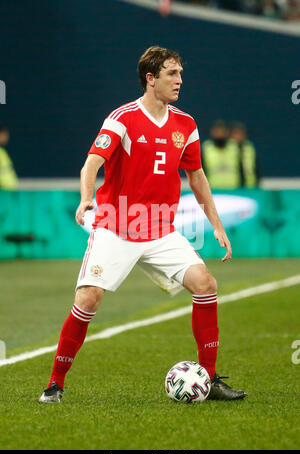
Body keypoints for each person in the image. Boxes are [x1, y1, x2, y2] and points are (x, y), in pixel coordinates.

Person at [39, 46, 246, 403]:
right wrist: (87, 197)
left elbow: (197, 177)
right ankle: (54, 384)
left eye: (180, 73)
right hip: (117, 226)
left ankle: (209, 379)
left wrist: (217, 225)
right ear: (150, 79)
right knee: (89, 298)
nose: (179, 81)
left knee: (205, 283)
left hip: (161, 230)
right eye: (171, 74)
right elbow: (91, 164)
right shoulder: (122, 118)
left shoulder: (186, 124)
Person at [201, 120, 243, 189]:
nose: (220, 134)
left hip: (234, 189)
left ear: (227, 133)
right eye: (217, 132)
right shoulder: (206, 147)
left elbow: (241, 168)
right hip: (213, 189)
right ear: (212, 132)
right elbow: (201, 171)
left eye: (222, 132)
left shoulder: (234, 146)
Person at [230, 121, 259, 188]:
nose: (238, 137)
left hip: (249, 186)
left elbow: (256, 168)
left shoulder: (249, 148)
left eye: (241, 134)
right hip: (232, 187)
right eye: (236, 133)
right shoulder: (227, 149)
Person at [0, 125, 18, 190]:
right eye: (4, 135)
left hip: (8, 191)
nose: (7, 137)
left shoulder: (2, 151)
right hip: (2, 193)